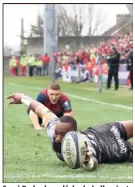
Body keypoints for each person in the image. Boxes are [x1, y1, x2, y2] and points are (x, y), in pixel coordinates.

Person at [6, 93, 133, 170]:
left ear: (75, 132)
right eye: (57, 132)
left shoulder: (80, 144)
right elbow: (42, 110)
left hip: (105, 131)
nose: (57, 137)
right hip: (114, 149)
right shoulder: (57, 133)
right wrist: (22, 98)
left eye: (63, 134)